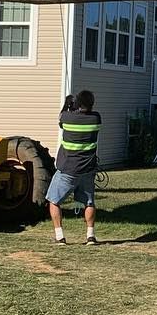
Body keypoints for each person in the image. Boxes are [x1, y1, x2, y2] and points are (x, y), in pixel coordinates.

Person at [47, 89, 100, 245]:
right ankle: (90, 236)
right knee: (89, 202)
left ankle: (60, 237)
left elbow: (60, 120)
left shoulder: (67, 117)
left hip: (67, 169)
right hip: (88, 169)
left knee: (54, 200)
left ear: (77, 103)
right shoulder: (96, 118)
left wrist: (66, 104)